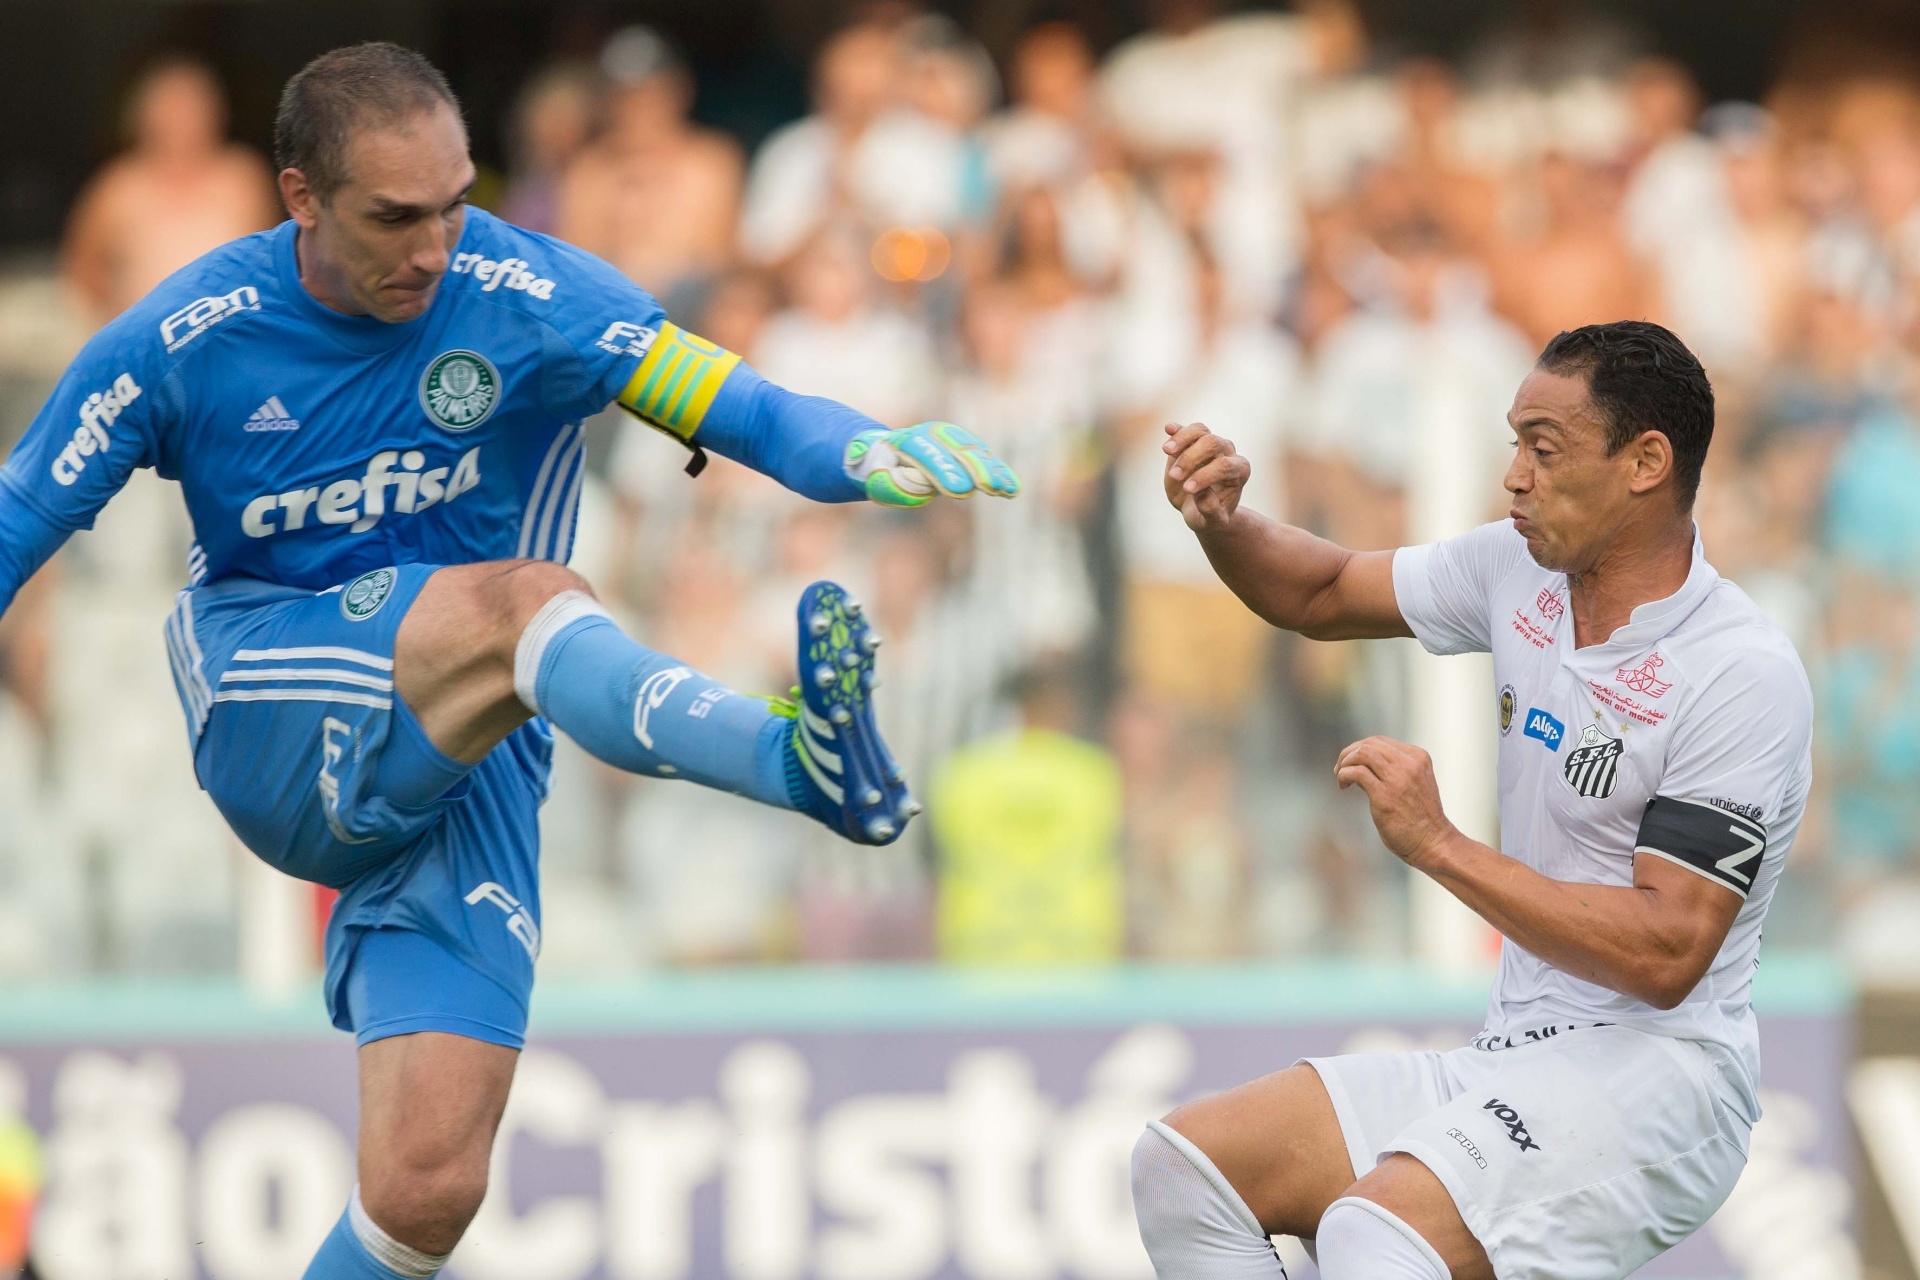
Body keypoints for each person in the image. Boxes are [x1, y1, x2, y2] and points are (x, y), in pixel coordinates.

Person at [0, 44, 1017, 1280]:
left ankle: (787, 758)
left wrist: (864, 450)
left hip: (472, 755)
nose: (435, 247)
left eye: (455, 202)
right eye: (395, 217)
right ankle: (787, 757)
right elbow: (17, 522)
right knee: (526, 600)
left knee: (427, 1186)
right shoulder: (183, 336)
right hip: (275, 695)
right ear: (299, 198)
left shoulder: (535, 291)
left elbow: (742, 409)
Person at [1132, 320, 1811, 1280]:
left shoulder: (1737, 672)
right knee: (1185, 1169)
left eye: (1545, 447)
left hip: (1666, 1080)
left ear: (1646, 462)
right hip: (1513, 1058)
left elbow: (1667, 955)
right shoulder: (1516, 570)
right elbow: (1320, 591)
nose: (1515, 476)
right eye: (1514, 444)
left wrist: (1438, 844)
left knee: (1378, 1233)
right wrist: (1222, 521)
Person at [62, 55, 280, 327]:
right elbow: (82, 269)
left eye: (191, 106)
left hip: (230, 339)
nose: (180, 118)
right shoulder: (118, 185)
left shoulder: (242, 176)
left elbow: (268, 260)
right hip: (143, 346)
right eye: (169, 106)